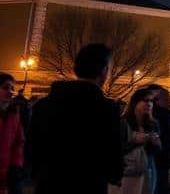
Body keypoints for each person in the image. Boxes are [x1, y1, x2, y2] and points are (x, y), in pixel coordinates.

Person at [28, 43, 122, 194]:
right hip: (88, 184)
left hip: (48, 182)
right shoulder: (106, 108)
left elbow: (33, 146)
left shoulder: (44, 105)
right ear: (104, 71)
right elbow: (111, 150)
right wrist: (114, 175)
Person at [113, 88, 161, 194]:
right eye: (145, 100)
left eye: (151, 101)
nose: (149, 104)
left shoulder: (153, 124)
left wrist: (157, 144)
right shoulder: (123, 123)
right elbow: (115, 150)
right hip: (127, 173)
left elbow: (155, 153)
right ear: (135, 102)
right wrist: (135, 141)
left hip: (147, 170)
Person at [146, 85, 170, 194]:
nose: (169, 101)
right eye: (166, 98)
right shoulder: (160, 116)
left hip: (161, 156)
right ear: (157, 100)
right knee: (160, 183)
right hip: (160, 156)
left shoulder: (160, 114)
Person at [0, 73, 25, 194]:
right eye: (6, 87)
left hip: (9, 174)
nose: (10, 92)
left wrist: (16, 164)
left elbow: (19, 141)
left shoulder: (14, 113)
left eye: (12, 88)